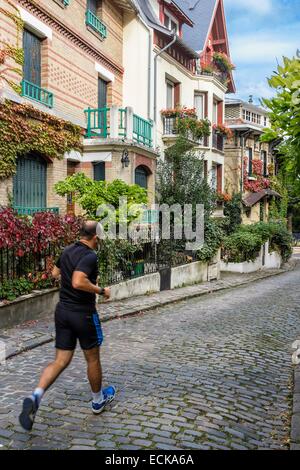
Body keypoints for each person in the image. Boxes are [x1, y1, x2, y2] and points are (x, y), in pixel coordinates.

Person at [19, 220, 116, 431]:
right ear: (96, 238)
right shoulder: (90, 256)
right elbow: (78, 281)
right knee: (92, 358)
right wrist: (101, 291)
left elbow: (55, 273)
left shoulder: (67, 250)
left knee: (61, 360)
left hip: (62, 311)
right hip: (83, 314)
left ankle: (36, 396)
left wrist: (71, 273)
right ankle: (98, 400)